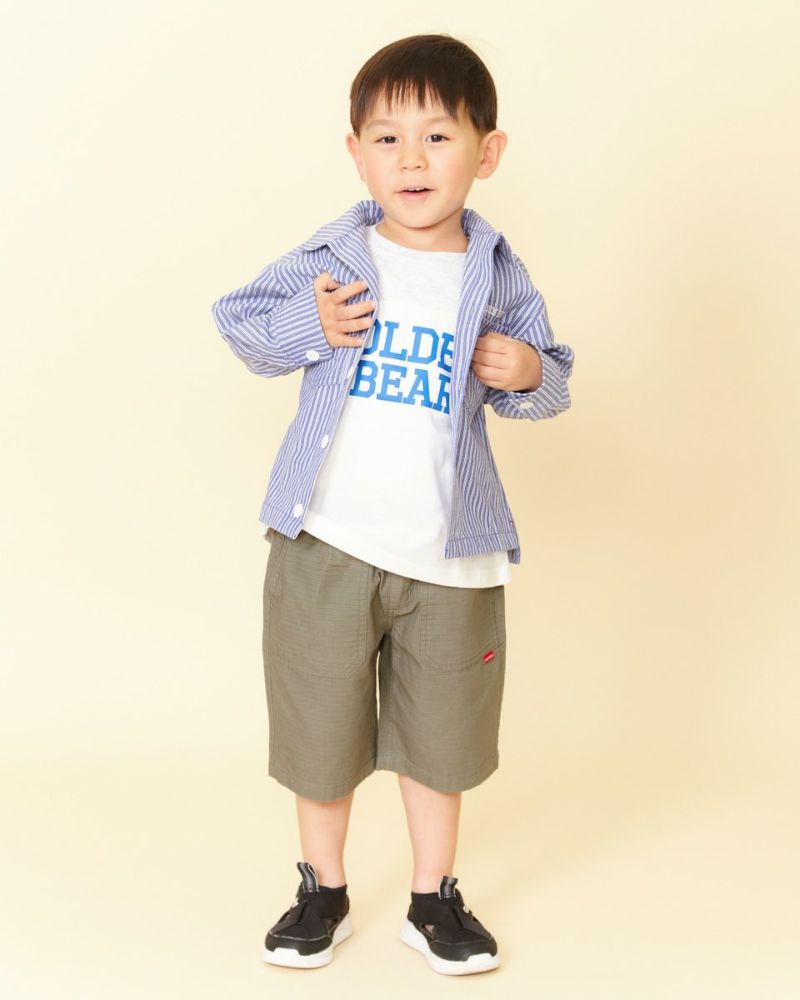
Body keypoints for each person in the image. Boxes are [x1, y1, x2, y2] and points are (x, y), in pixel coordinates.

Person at [211, 33, 575, 976]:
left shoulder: (495, 271)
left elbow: (551, 381)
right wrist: (312, 324)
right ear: (357, 153)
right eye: (387, 138)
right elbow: (243, 325)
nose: (411, 160)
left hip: (451, 551)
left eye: (438, 136)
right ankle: (322, 890)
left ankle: (432, 896)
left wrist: (527, 372)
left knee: (442, 738)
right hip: (326, 540)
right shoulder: (336, 253)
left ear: (487, 152)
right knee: (319, 727)